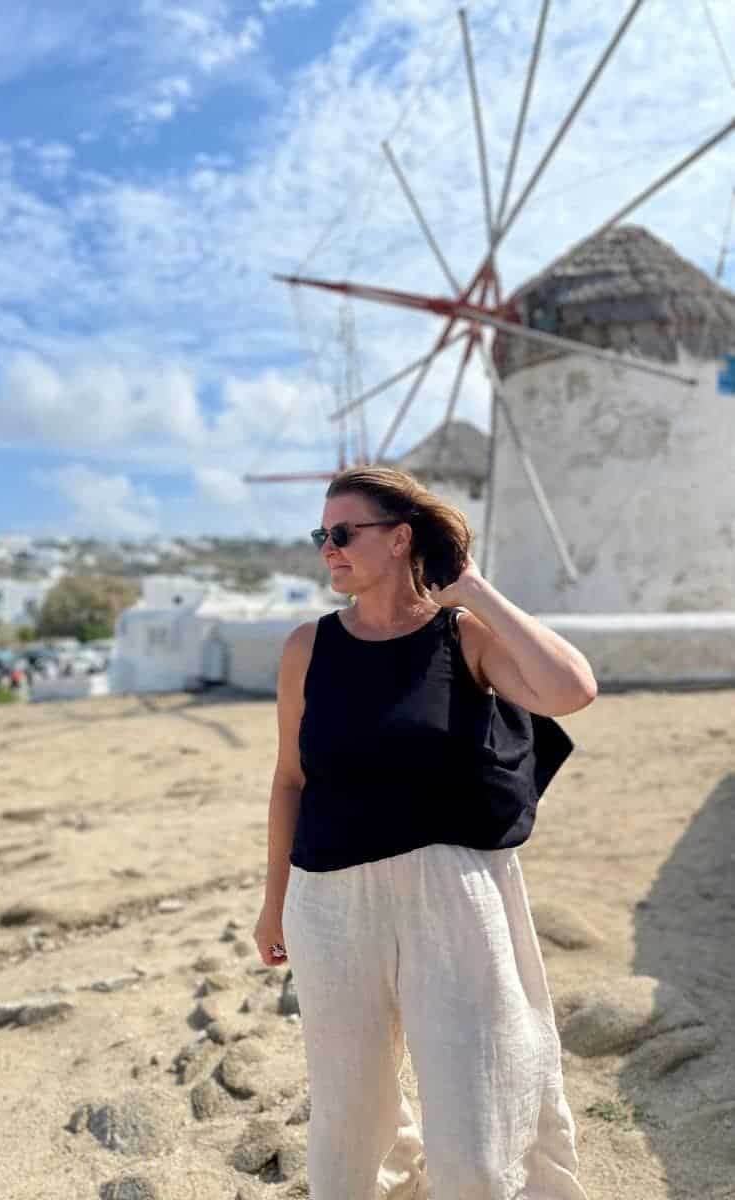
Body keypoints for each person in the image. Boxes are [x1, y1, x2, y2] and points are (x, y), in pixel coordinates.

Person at [253, 465, 597, 1200]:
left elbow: (573, 690)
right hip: (329, 902)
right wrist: (273, 901)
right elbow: (290, 779)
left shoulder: (463, 636)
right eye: (322, 535)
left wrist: (471, 590)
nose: (329, 549)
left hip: (455, 899)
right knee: (349, 1127)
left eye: (343, 533)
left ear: (400, 537)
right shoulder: (305, 650)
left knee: (477, 1125)